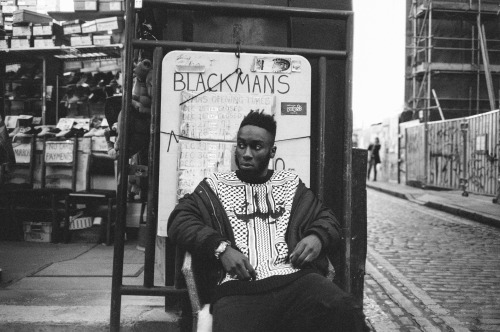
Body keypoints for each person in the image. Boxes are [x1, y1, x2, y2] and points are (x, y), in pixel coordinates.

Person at [168, 110, 368, 332]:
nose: (246, 153)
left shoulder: (289, 183)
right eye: (241, 145)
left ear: (272, 151)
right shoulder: (215, 185)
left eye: (256, 146)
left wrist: (317, 237)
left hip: (294, 280)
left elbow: (327, 217)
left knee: (346, 310)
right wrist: (221, 248)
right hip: (238, 288)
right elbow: (180, 219)